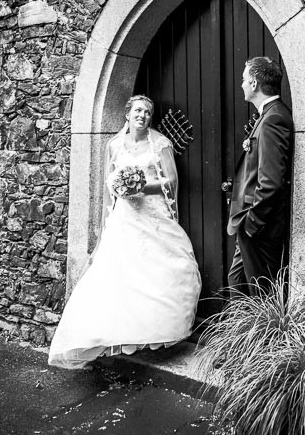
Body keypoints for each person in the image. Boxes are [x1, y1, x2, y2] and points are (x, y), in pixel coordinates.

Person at [49, 95, 201, 369]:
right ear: (127, 115)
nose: (142, 116)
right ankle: (110, 334)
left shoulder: (161, 144)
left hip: (153, 215)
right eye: (138, 111)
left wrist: (141, 187)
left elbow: (171, 180)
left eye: (147, 113)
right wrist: (106, 221)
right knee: (119, 275)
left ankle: (152, 334)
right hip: (124, 218)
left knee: (159, 271)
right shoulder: (114, 145)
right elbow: (109, 189)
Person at [227, 57, 294, 296]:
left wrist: (251, 222)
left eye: (244, 80)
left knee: (259, 292)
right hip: (247, 222)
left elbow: (271, 182)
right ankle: (237, 333)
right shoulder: (268, 115)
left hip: (259, 226)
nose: (241, 85)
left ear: (254, 83)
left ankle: (255, 333)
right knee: (237, 281)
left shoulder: (273, 119)